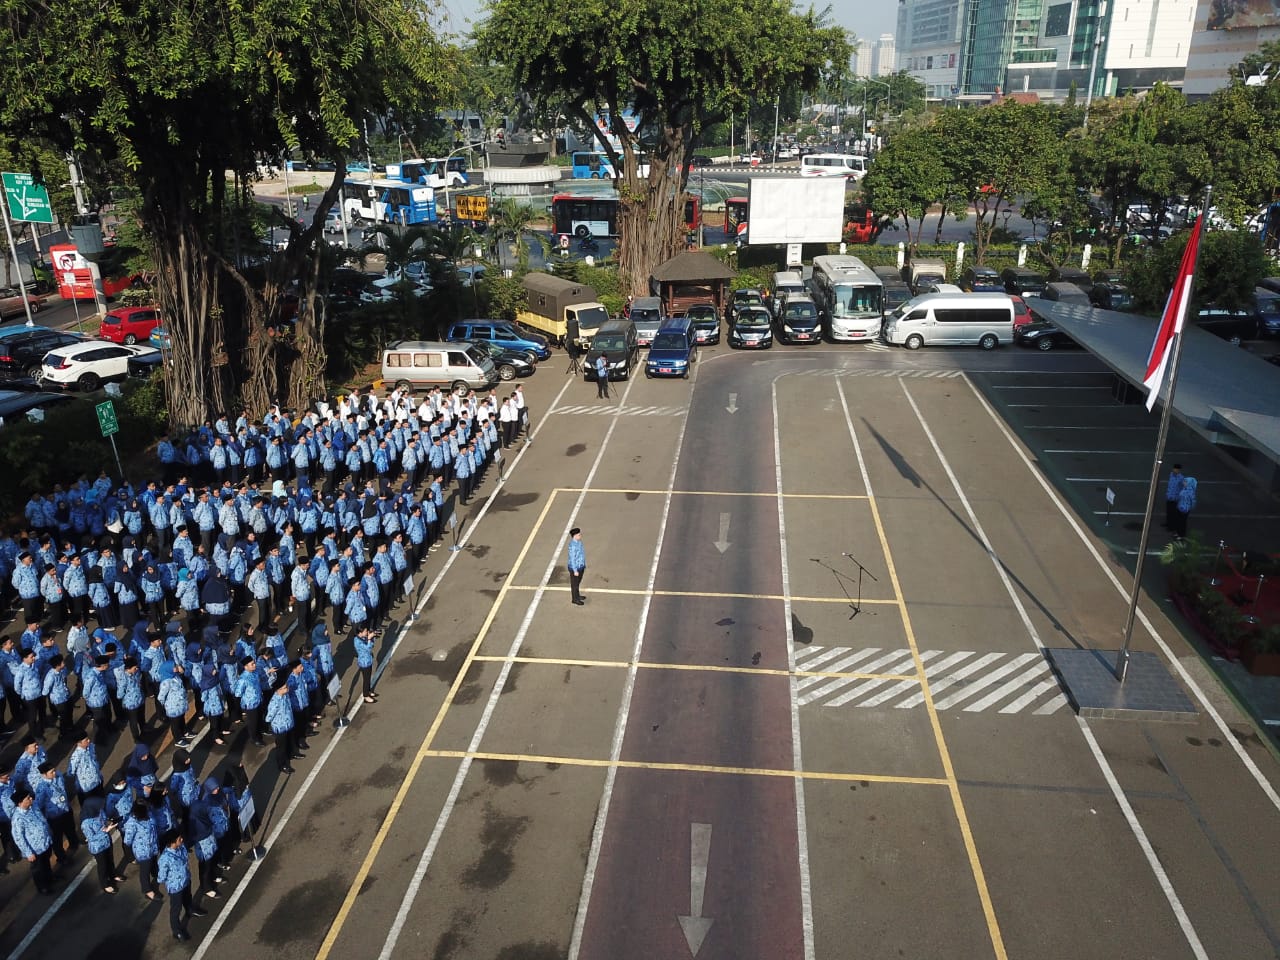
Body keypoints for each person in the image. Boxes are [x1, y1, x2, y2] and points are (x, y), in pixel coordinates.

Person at [156, 829, 207, 940]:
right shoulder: (165, 859)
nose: (182, 839)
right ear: (173, 842)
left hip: (185, 880)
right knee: (176, 908)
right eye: (179, 839)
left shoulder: (182, 847)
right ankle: (177, 930)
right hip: (175, 887)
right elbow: (161, 877)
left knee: (188, 897)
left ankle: (190, 910)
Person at [10, 787, 55, 894]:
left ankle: (49, 878)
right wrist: (28, 853)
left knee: (46, 862)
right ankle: (42, 887)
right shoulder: (18, 818)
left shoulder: (33, 807)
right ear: (20, 803)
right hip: (34, 849)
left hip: (44, 843)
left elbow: (42, 820)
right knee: (38, 869)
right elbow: (19, 838)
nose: (31, 799)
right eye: (28, 798)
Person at [567, 527, 586, 606]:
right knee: (574, 584)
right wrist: (575, 570)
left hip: (580, 566)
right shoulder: (572, 546)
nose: (580, 536)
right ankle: (575, 599)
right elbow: (572, 559)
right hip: (575, 568)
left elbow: (581, 554)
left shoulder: (579, 542)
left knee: (577, 583)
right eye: (578, 535)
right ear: (574, 536)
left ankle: (577, 596)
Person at [1165, 464, 1184, 530]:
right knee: (1168, 511)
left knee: (1173, 513)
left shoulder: (1181, 478)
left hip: (1175, 498)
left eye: (1176, 469)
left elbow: (1182, 488)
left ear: (1179, 470)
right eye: (1174, 469)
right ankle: (1168, 523)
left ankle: (1171, 526)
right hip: (1169, 496)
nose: (1175, 470)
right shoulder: (1171, 475)